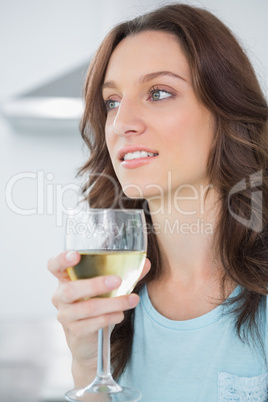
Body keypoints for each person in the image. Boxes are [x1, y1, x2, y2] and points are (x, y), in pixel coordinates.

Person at [48, 3, 268, 401]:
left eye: (159, 93)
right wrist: (85, 363)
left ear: (226, 112)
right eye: (112, 101)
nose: (122, 123)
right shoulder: (115, 298)